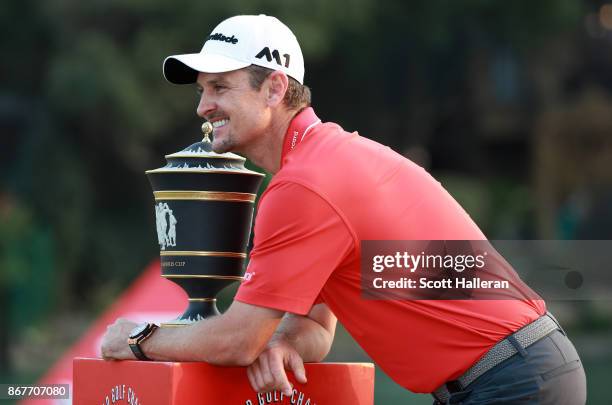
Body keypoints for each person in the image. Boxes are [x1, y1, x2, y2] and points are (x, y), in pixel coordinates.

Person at [101, 14, 587, 404]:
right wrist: (279, 341)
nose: (202, 107)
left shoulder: (307, 184)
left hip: (513, 383)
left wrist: (139, 337)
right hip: (521, 375)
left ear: (274, 88)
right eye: (202, 91)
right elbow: (314, 327)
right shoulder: (323, 161)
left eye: (220, 88)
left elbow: (235, 341)